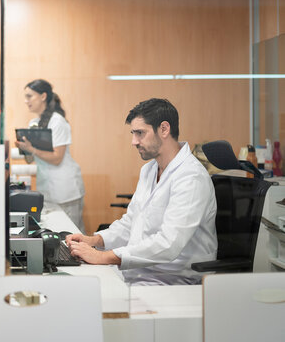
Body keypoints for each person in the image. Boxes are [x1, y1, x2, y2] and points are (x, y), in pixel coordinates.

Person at [66, 98, 217, 285]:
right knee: (80, 281)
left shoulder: (191, 177)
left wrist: (104, 257)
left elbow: (168, 244)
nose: (133, 141)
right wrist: (95, 240)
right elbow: (131, 222)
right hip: (142, 271)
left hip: (173, 279)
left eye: (140, 133)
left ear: (164, 129)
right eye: (133, 133)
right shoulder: (150, 169)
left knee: (97, 298)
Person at [14, 79, 86, 233]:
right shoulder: (34, 122)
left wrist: (32, 149)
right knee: (55, 233)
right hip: (47, 188)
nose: (26, 101)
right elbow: (30, 160)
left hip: (65, 190)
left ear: (43, 96)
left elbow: (57, 158)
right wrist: (24, 149)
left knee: (72, 235)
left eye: (29, 96)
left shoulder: (57, 122)